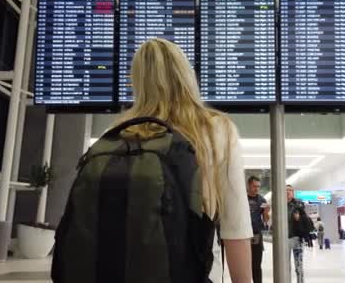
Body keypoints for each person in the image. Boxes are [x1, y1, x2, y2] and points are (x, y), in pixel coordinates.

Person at [113, 38, 252, 283]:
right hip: (195, 271)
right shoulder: (216, 129)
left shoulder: (121, 132)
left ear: (137, 82)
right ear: (186, 74)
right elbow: (236, 229)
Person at [247, 176, 270, 283]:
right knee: (244, 263)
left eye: (258, 187)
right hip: (243, 235)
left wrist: (266, 212)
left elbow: (266, 220)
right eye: (254, 186)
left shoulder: (262, 200)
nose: (256, 189)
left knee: (256, 264)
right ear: (249, 185)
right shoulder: (242, 198)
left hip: (256, 234)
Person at [287, 185, 309, 283]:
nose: (288, 192)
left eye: (290, 190)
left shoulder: (299, 204)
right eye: (286, 190)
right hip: (284, 239)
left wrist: (299, 219)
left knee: (299, 265)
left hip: (297, 238)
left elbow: (305, 219)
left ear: (293, 192)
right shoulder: (280, 204)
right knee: (285, 266)